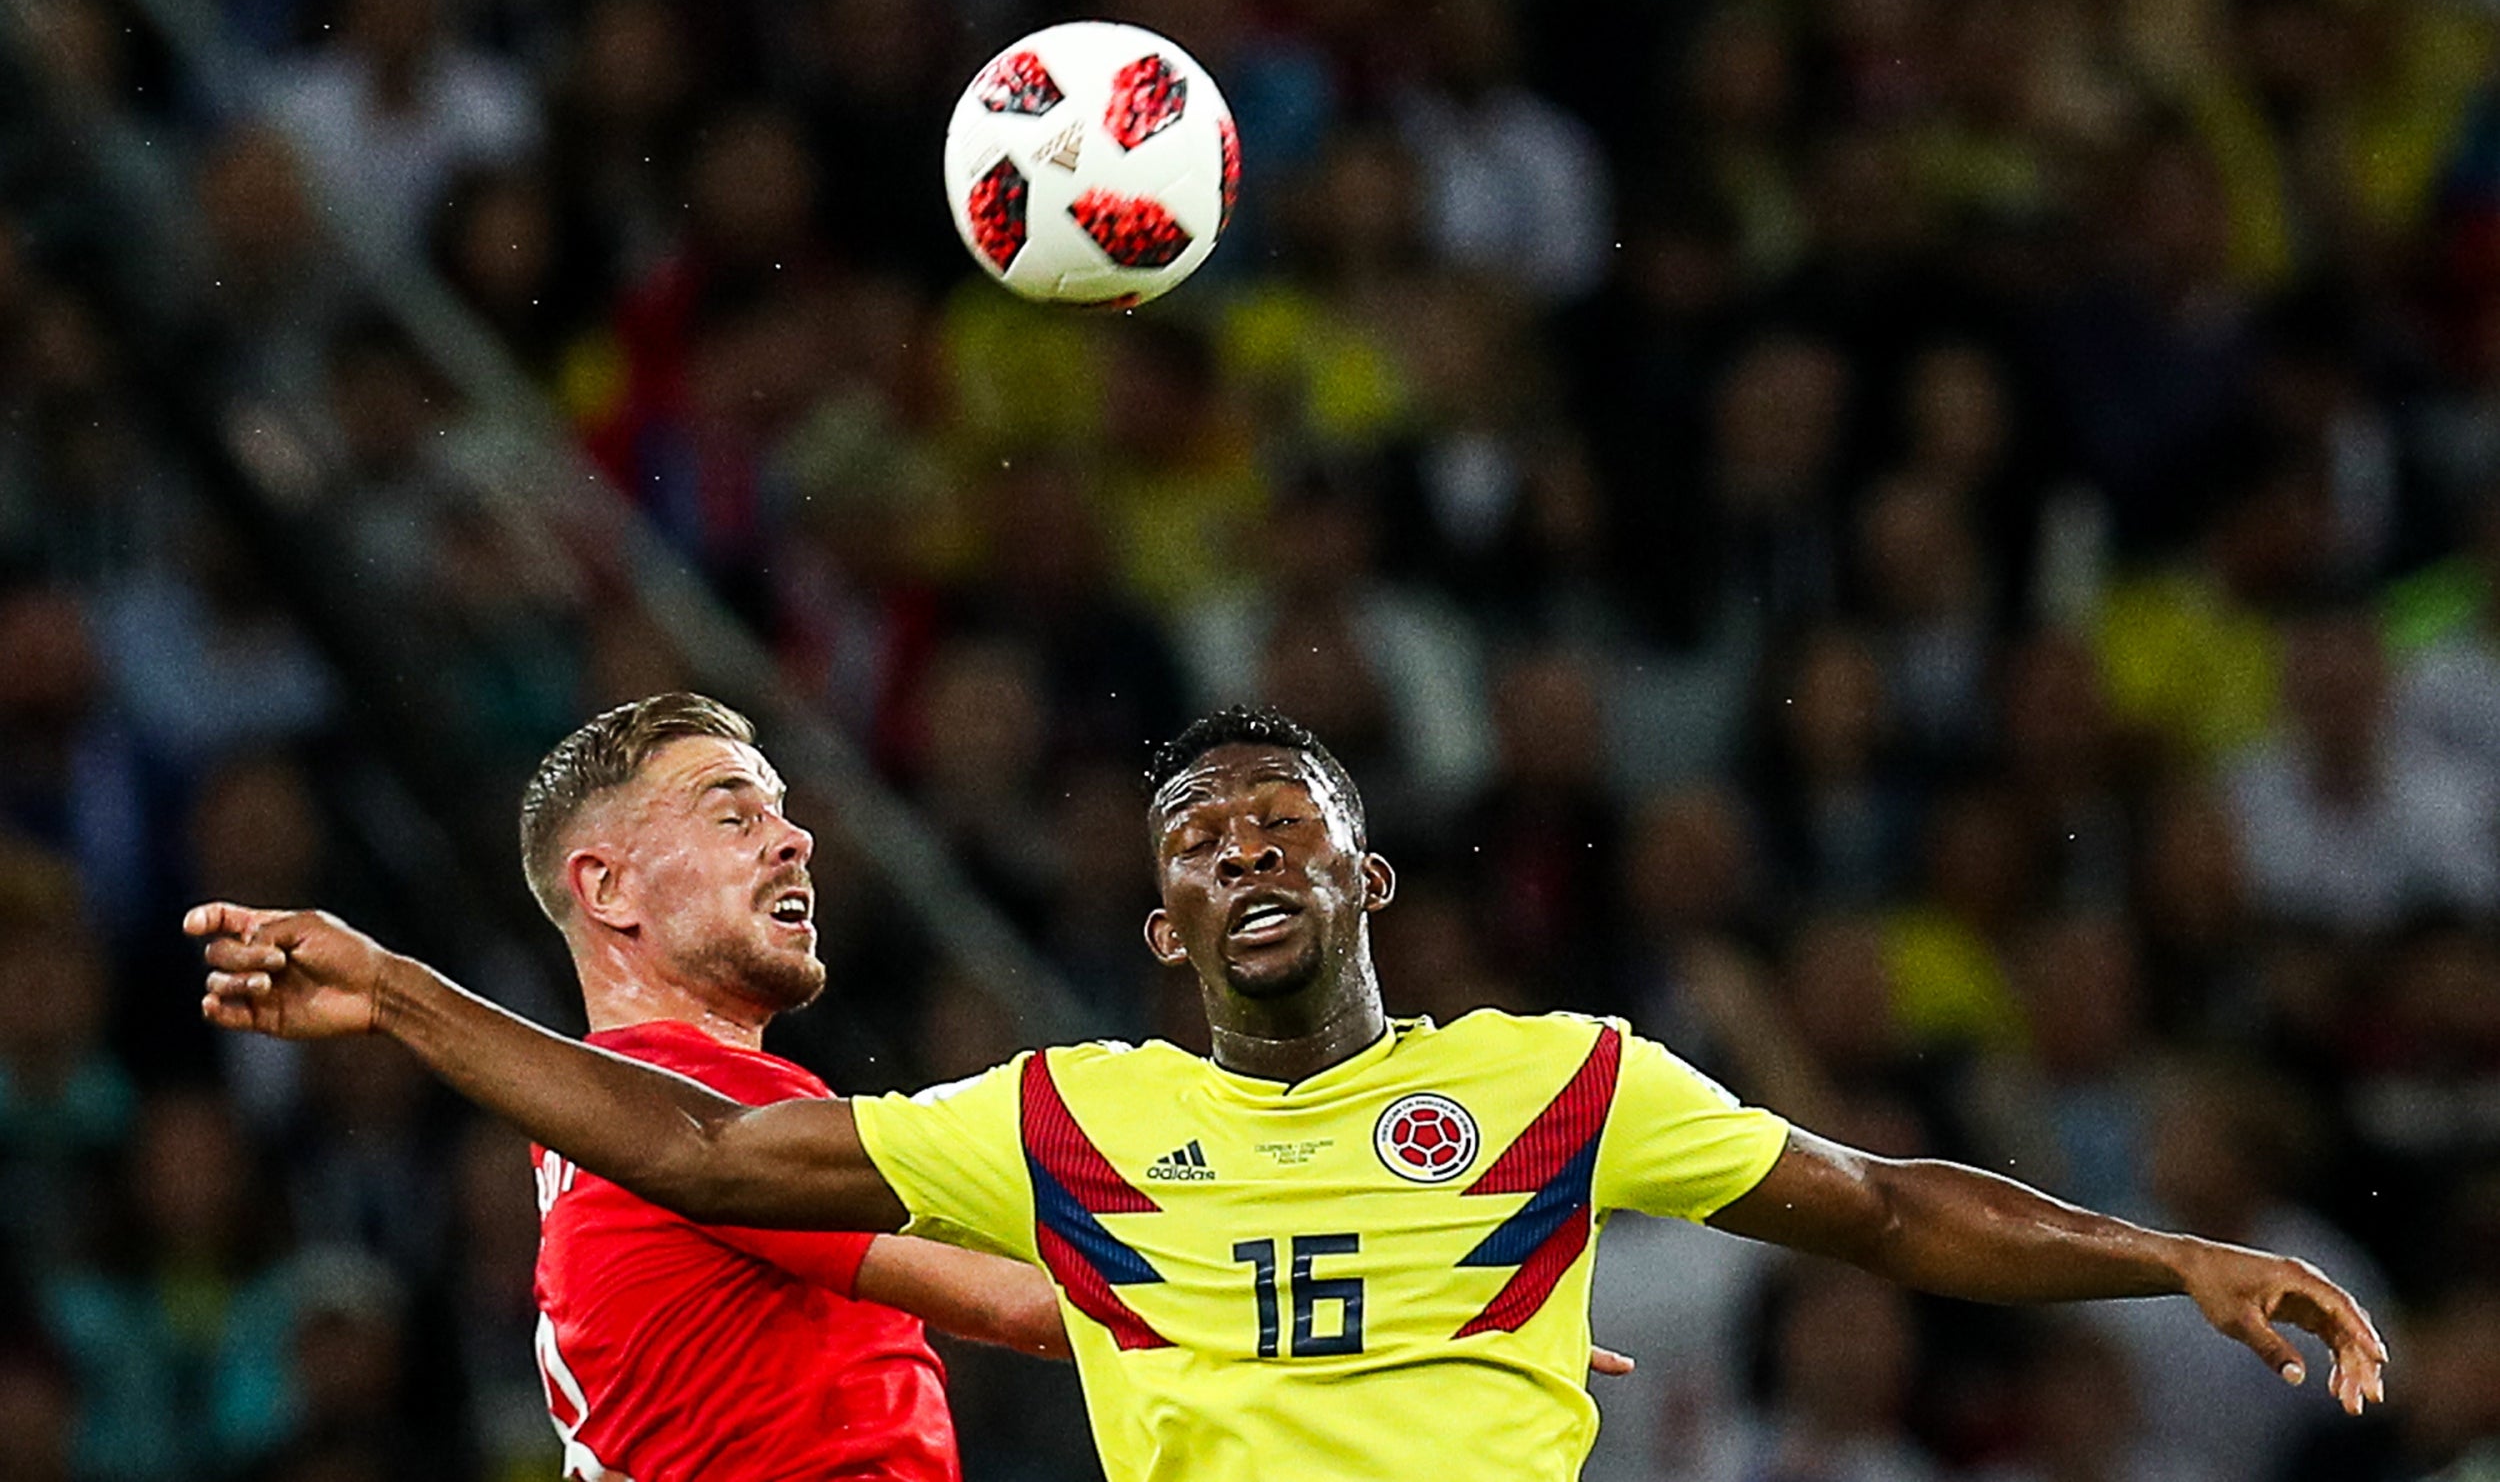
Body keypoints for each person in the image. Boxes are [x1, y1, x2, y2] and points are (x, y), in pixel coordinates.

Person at [190, 704, 2387, 1482]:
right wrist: (391, 986)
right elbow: (688, 1144)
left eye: (1283, 818)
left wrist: (2161, 1249)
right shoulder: (1062, 1119)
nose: (1241, 846)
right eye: (1195, 838)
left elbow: (1886, 1201)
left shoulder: (1553, 1085)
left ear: (1367, 870)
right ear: (1157, 927)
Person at [406, 696, 1074, 1479]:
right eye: (734, 818)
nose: (796, 840)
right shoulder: (697, 1093)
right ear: (608, 888)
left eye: (780, 814)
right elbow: (1024, 1300)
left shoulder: (591, 1135)